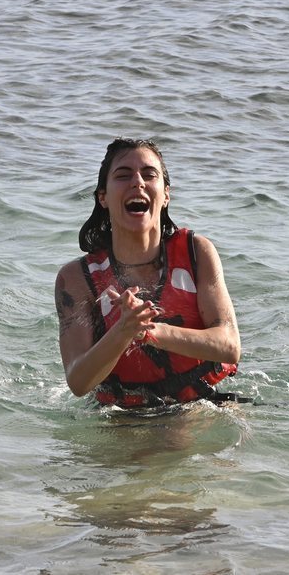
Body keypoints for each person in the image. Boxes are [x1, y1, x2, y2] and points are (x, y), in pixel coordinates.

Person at [54, 137, 241, 408]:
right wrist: (123, 331)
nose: (137, 182)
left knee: (178, 437)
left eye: (149, 175)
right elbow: (79, 382)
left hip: (201, 404)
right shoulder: (76, 278)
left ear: (166, 194)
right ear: (103, 197)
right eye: (123, 175)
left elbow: (229, 346)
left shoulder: (197, 252)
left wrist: (149, 331)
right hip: (120, 416)